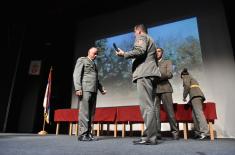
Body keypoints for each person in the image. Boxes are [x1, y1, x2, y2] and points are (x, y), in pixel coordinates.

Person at [116, 24, 161, 145]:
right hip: (150, 74)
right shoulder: (151, 40)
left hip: (144, 74)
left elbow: (140, 51)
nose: (134, 35)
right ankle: (148, 135)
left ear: (139, 31)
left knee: (146, 107)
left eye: (134, 33)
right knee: (150, 106)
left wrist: (124, 54)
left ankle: (150, 138)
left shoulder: (142, 36)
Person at [73, 47, 107, 141]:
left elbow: (95, 79)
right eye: (94, 53)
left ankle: (88, 133)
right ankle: (83, 134)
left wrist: (101, 88)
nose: (95, 55)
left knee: (91, 113)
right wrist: (78, 88)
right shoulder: (82, 60)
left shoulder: (94, 64)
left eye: (96, 54)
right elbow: (76, 74)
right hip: (85, 89)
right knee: (84, 112)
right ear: (89, 52)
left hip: (94, 90)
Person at [155, 48, 179, 140]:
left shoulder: (167, 62)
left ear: (162, 53)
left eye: (159, 51)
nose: (157, 53)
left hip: (165, 88)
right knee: (156, 113)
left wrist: (157, 74)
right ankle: (157, 133)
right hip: (155, 90)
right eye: (155, 51)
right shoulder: (152, 64)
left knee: (170, 111)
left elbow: (169, 74)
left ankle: (175, 133)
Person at [180, 68, 209, 140]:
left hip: (195, 96)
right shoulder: (192, 78)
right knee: (194, 115)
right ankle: (197, 132)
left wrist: (184, 97)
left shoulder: (186, 77)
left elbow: (187, 87)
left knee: (199, 114)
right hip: (196, 96)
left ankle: (204, 132)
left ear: (182, 75)